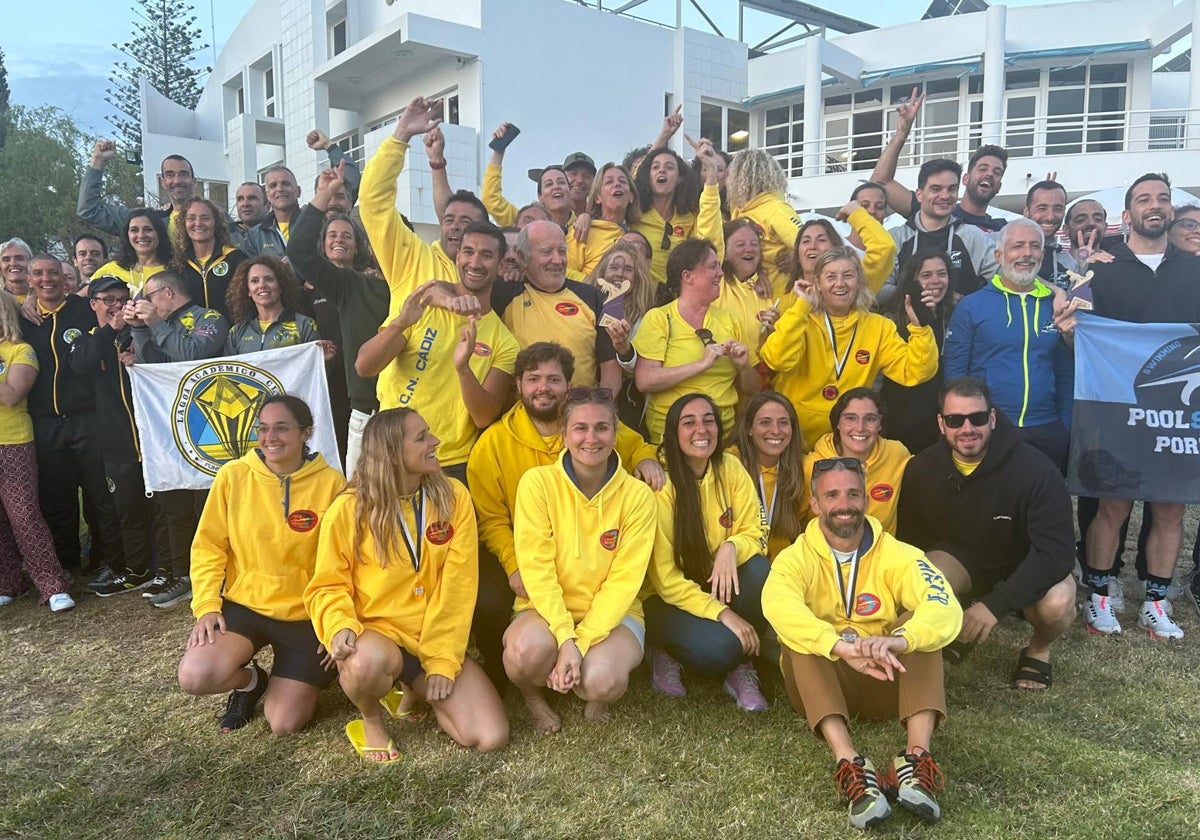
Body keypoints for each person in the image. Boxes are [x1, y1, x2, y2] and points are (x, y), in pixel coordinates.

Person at [763, 457, 962, 829]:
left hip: (885, 674)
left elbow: (944, 604)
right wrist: (839, 646)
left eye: (853, 493)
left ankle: (915, 762)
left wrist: (899, 641)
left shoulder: (897, 553)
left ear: (867, 499)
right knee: (802, 636)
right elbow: (778, 606)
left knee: (918, 626)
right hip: (822, 683)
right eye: (833, 494)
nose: (844, 504)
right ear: (816, 502)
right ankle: (850, 763)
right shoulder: (794, 558)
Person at [306, 409, 508, 760]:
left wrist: (443, 661)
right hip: (377, 638)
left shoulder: (453, 496)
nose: (435, 442)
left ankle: (412, 687)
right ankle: (370, 719)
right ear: (390, 454)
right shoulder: (349, 508)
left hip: (430, 637)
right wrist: (338, 627)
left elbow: (458, 587)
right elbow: (327, 584)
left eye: (430, 433)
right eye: (421, 438)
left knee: (489, 736)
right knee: (365, 663)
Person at [467, 342, 661, 689]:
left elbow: (633, 443)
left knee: (600, 675)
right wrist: (514, 564)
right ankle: (516, 681)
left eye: (554, 379)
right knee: (495, 607)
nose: (543, 387)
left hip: (595, 566)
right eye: (534, 379)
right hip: (526, 556)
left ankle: (587, 668)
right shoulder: (493, 444)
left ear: (568, 386)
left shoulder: (589, 422)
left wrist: (646, 457)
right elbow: (490, 520)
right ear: (519, 385)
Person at [1062, 173, 1200, 640]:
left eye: (1162, 198)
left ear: (1172, 212)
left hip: (1178, 413)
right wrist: (1068, 331)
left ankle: (1156, 603)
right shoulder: (1099, 268)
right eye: (1144, 199)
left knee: (1170, 510)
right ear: (1128, 215)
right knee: (1112, 505)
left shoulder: (1195, 268)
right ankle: (1099, 595)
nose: (1154, 205)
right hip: (1117, 405)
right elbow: (1076, 333)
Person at [177, 396, 346, 733]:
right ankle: (251, 681)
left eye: (282, 428)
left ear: (306, 432)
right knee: (194, 677)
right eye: (263, 428)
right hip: (246, 604)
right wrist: (208, 605)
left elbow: (347, 562)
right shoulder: (233, 476)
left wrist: (336, 623)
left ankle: (303, 677)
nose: (271, 437)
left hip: (307, 615)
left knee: (284, 722)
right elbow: (209, 546)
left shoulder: (333, 485)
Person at [897, 377, 1076, 689]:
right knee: (924, 572)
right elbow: (911, 545)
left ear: (992, 418)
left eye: (977, 418)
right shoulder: (920, 469)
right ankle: (950, 628)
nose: (967, 428)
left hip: (1024, 565)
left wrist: (995, 604)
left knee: (1057, 601)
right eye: (954, 420)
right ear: (941, 424)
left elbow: (1057, 553)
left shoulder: (1036, 470)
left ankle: (1039, 649)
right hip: (964, 564)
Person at [502, 388, 656, 732]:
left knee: (601, 680)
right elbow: (536, 569)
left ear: (615, 434)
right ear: (564, 434)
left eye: (602, 428)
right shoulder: (537, 484)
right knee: (524, 653)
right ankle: (533, 697)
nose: (591, 438)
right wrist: (564, 636)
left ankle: (594, 695)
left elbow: (624, 582)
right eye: (580, 428)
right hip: (543, 609)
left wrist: (580, 642)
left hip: (614, 616)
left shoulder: (638, 497)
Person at [355, 220, 518, 484]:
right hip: (391, 451)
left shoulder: (505, 341)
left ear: (500, 266)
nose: (475, 262)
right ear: (457, 257)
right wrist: (400, 323)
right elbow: (365, 367)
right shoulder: (423, 305)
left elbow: (483, 416)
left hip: (450, 462)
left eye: (486, 255)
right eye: (468, 252)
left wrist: (463, 369)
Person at [644, 393, 771, 711]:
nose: (701, 429)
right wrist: (723, 614)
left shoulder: (730, 467)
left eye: (708, 420)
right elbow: (665, 580)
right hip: (664, 599)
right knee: (721, 649)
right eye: (689, 422)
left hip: (712, 582)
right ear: (673, 433)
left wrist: (731, 546)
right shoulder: (661, 487)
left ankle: (742, 669)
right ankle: (662, 650)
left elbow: (756, 531)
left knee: (757, 569)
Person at [760, 246, 938, 447]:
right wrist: (802, 305)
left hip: (849, 438)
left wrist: (920, 328)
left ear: (859, 281)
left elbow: (915, 371)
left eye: (848, 275)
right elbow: (776, 359)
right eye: (830, 276)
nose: (839, 284)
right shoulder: (798, 319)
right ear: (817, 282)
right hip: (795, 439)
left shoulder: (878, 327)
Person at [127, 270, 230, 608]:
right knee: (173, 503)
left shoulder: (210, 317)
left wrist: (154, 323)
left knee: (207, 507)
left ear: (167, 293)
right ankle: (182, 575)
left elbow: (193, 354)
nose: (146, 303)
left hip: (208, 426)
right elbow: (150, 363)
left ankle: (216, 577)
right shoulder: (158, 323)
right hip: (169, 424)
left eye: (150, 296)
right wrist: (140, 329)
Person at [20, 256, 123, 577]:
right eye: (38, 274)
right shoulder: (22, 319)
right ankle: (65, 563)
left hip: (86, 417)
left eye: (53, 272)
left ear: (67, 279)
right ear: (29, 279)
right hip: (45, 421)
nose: (47, 279)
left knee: (98, 493)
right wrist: (25, 303)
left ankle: (107, 558)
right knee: (57, 498)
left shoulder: (82, 309)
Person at [943, 218, 1074, 472]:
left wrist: (1064, 427)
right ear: (998, 254)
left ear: (1043, 253)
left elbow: (1065, 371)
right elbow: (955, 376)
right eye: (1018, 246)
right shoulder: (971, 306)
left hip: (1047, 429)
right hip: (990, 428)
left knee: (1041, 509)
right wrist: (964, 426)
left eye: (1035, 246)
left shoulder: (1055, 305)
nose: (1027, 253)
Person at [287, 165, 389, 476]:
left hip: (415, 411)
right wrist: (324, 195)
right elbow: (299, 252)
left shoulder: (426, 290)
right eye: (387, 241)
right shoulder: (354, 285)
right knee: (357, 504)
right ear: (372, 248)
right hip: (364, 411)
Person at [67, 277, 156, 597]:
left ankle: (171, 568)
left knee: (163, 508)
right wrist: (111, 330)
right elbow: (80, 363)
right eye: (108, 299)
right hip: (114, 443)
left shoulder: (141, 332)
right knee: (125, 509)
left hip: (154, 438)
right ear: (93, 304)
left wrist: (139, 348)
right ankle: (134, 569)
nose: (117, 305)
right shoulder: (86, 339)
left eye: (123, 297)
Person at [632, 239, 760, 443]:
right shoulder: (659, 318)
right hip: (671, 439)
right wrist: (701, 364)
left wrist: (744, 368)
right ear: (687, 276)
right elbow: (645, 380)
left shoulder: (729, 320)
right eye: (712, 266)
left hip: (722, 439)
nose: (720, 273)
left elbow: (753, 388)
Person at [0, 290, 74, 613]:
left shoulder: (20, 350)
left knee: (24, 515)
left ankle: (53, 584)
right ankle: (8, 582)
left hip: (13, 441)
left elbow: (12, 395)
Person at [492, 220, 620, 392]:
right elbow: (456, 288)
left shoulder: (594, 296)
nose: (558, 260)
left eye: (562, 251)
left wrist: (601, 406)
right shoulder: (503, 293)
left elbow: (610, 364)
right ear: (522, 257)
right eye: (547, 252)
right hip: (523, 414)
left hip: (579, 413)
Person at [870, 89, 1009, 235]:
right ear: (965, 179)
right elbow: (880, 182)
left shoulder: (1002, 230)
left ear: (999, 186)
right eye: (983, 168)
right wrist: (901, 133)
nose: (989, 174)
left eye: (997, 172)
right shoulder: (935, 207)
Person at [805, 388, 910, 536]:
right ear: (837, 423)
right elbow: (794, 522)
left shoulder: (896, 454)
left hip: (881, 554)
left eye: (870, 419)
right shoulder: (811, 466)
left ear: (880, 424)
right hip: (823, 555)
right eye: (850, 418)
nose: (860, 428)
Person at [879, 250, 955, 454]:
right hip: (902, 419)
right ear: (912, 281)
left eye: (942, 273)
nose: (936, 281)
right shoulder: (892, 320)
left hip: (942, 420)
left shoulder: (956, 314)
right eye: (926, 275)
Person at [582, 242, 655, 433]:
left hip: (624, 402)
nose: (620, 274)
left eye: (628, 269)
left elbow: (636, 370)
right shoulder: (581, 303)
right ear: (601, 271)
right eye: (614, 267)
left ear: (637, 278)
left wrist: (623, 349)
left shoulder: (645, 316)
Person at [732, 390, 807, 559]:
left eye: (783, 422)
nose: (775, 430)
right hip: (741, 562)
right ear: (749, 429)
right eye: (765, 422)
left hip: (785, 565)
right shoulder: (731, 464)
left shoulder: (802, 468)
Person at [632, 146, 723, 284]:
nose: (661, 170)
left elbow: (709, 247)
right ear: (648, 177)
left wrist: (711, 171)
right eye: (655, 167)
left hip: (676, 298)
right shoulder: (633, 214)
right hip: (640, 298)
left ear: (679, 178)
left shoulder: (689, 217)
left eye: (669, 167)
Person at [77, 140, 201, 240]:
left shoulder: (213, 219)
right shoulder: (147, 220)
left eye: (183, 174)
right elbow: (89, 211)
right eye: (170, 175)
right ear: (163, 183)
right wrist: (98, 161)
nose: (177, 180)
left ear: (194, 181)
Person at [724, 148, 805, 298]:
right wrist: (757, 271)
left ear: (743, 178)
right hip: (752, 303)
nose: (726, 181)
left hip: (781, 301)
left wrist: (796, 258)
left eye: (730, 175)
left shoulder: (776, 209)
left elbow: (811, 245)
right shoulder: (740, 210)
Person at [223, 255, 326, 356]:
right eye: (255, 281)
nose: (262, 285)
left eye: (269, 279)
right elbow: (229, 371)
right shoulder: (236, 333)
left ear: (281, 286)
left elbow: (313, 368)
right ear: (248, 290)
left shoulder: (304, 325)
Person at [171, 196, 247, 319]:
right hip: (193, 336)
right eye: (191, 218)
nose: (198, 223)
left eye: (205, 218)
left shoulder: (235, 259)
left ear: (215, 223)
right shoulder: (178, 265)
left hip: (231, 335)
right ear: (184, 224)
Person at [717, 219, 778, 363]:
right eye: (740, 245)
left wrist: (772, 331)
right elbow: (708, 230)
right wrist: (712, 195)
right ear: (724, 252)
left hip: (757, 376)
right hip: (723, 376)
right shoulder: (717, 282)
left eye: (754, 244)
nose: (749, 249)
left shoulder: (766, 287)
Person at [566, 163, 640, 278]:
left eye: (623, 181)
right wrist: (595, 287)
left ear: (631, 196)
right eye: (609, 182)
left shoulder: (637, 235)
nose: (617, 184)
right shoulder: (581, 230)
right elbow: (564, 273)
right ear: (597, 198)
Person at [90, 210, 173, 296]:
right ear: (127, 235)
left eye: (148, 229)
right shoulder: (110, 270)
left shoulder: (174, 270)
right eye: (134, 230)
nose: (141, 235)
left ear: (159, 233)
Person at [240, 166, 302, 258]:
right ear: (267, 195)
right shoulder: (255, 235)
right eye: (273, 185)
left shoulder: (315, 224)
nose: (280, 189)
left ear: (298, 191)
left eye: (286, 184)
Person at [1023, 180, 1073, 289]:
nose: (1050, 216)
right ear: (1026, 211)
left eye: (1057, 209)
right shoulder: (1005, 249)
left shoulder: (1068, 263)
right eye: (1042, 208)